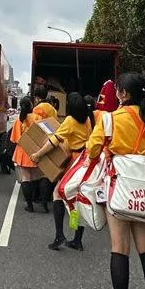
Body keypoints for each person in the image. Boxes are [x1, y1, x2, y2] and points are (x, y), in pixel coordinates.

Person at [85, 72, 145, 289]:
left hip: (119, 187)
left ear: (122, 93)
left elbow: (92, 151)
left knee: (120, 248)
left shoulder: (108, 119)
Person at [31, 92, 92, 251]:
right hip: (86, 160)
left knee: (58, 193)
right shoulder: (87, 120)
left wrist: (38, 154)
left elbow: (54, 140)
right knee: (76, 200)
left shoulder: (70, 121)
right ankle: (77, 239)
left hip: (74, 162)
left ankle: (59, 235)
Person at [11, 97, 40, 213]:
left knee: (25, 178)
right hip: (35, 150)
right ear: (31, 106)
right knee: (34, 177)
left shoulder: (18, 120)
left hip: (22, 151)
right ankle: (35, 199)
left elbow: (14, 139)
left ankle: (29, 205)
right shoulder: (37, 118)